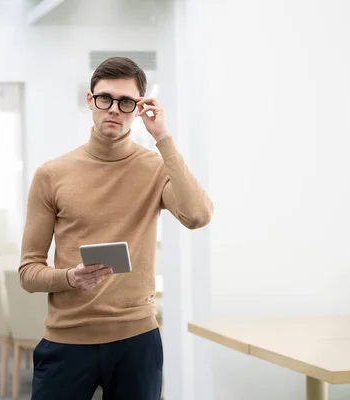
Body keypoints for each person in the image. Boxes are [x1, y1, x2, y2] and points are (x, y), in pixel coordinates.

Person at [19, 56, 213, 400]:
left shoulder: (154, 168)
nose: (114, 109)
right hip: (67, 340)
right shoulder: (52, 174)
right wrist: (69, 278)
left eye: (126, 102)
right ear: (90, 101)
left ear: (139, 107)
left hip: (136, 341)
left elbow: (197, 216)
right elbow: (28, 272)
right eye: (105, 98)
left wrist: (163, 138)